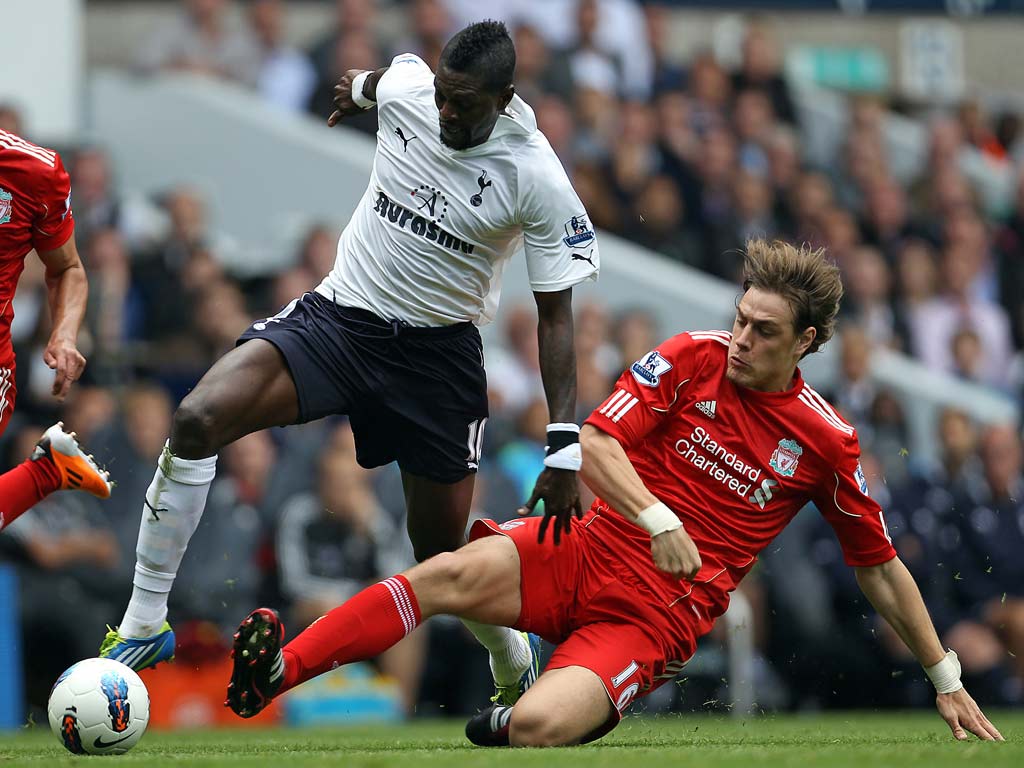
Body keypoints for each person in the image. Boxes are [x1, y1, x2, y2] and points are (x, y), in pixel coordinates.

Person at [223, 240, 1001, 745]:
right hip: (586, 548)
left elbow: (880, 565)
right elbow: (596, 443)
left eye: (765, 331)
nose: (742, 339)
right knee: (443, 574)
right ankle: (277, 675)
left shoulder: (827, 440)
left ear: (806, 342)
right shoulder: (691, 357)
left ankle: (532, 707)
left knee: (533, 728)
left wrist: (944, 677)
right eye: (741, 320)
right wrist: (654, 514)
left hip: (653, 616)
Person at [101, 21, 599, 708]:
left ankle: (508, 653)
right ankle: (143, 622)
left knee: (441, 558)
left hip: (437, 359)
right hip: (340, 320)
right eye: (443, 96)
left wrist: (565, 445)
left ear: (505, 97)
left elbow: (555, 318)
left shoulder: (536, 176)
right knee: (196, 419)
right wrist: (357, 92)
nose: (446, 112)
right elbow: (373, 84)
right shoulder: (410, 89)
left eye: (464, 103)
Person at [0, 128, 113, 534]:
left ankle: (46, 472)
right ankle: (47, 470)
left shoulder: (34, 171)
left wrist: (64, 334)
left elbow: (67, 268)